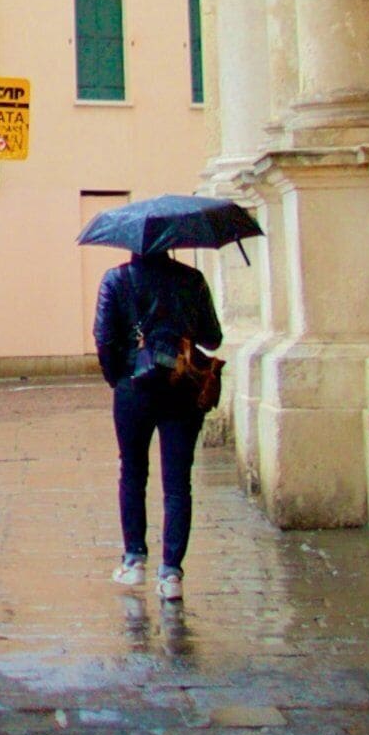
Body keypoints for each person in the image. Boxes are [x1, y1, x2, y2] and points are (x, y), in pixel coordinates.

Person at [93, 242, 227, 599]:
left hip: (133, 388)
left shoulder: (115, 280)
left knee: (133, 472)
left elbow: (104, 339)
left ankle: (134, 560)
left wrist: (118, 378)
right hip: (183, 388)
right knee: (178, 483)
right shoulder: (192, 279)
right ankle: (171, 575)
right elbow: (213, 338)